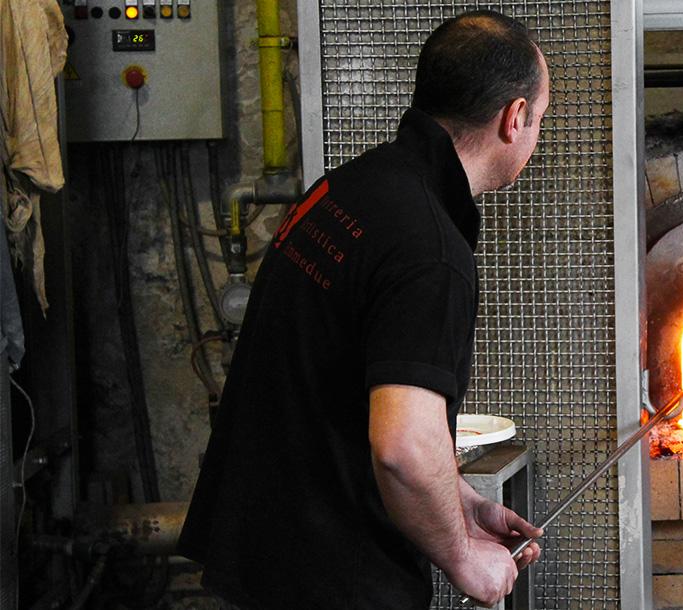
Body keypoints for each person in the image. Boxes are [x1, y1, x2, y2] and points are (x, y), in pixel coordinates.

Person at [178, 10, 549, 608]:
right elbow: (400, 448)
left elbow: (347, 390)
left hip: (263, 553)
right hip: (331, 579)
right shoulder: (432, 252)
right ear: (513, 119)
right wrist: (462, 556)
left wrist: (461, 505)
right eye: (540, 120)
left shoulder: (347, 188)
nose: (536, 136)